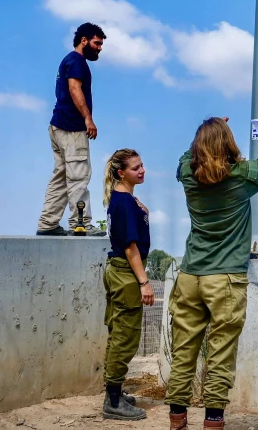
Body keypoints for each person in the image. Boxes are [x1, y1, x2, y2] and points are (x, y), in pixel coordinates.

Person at [165, 117, 258, 430]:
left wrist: (205, 134)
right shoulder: (241, 177)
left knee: (184, 352)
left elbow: (182, 160)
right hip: (226, 281)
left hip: (190, 277)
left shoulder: (188, 174)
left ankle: (177, 422)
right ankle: (213, 422)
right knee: (220, 355)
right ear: (228, 144)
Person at [37, 22, 107, 236]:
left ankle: (47, 223)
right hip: (71, 128)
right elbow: (74, 88)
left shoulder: (68, 60)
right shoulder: (77, 61)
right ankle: (81, 224)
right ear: (84, 41)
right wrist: (88, 119)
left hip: (57, 126)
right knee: (78, 176)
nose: (99, 48)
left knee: (61, 176)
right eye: (96, 43)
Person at [101, 148, 155, 421]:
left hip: (118, 271)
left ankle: (115, 392)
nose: (142, 170)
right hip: (126, 273)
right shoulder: (123, 201)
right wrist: (144, 282)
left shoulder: (124, 199)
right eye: (135, 168)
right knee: (125, 337)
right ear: (121, 173)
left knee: (118, 333)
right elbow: (131, 248)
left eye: (142, 165)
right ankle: (112, 402)